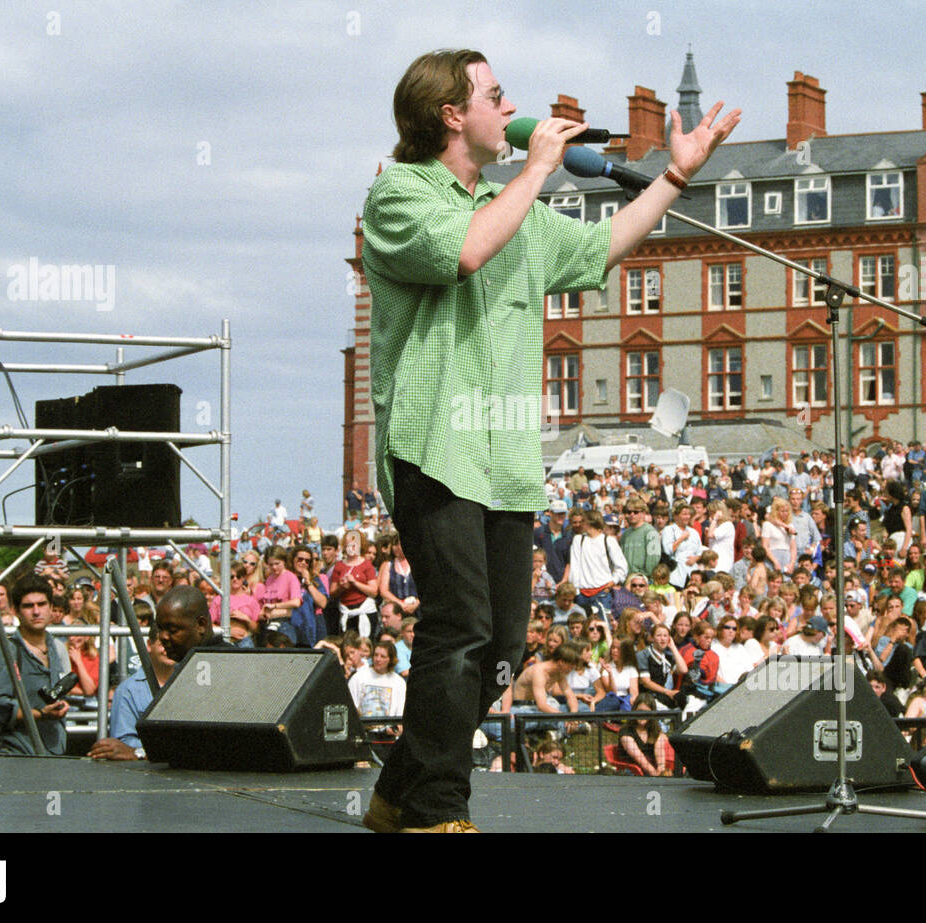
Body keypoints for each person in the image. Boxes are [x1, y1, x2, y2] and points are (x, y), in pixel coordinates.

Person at [359, 48, 738, 832]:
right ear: (450, 115)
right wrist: (536, 169)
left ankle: (399, 790)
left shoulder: (519, 211)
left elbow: (602, 249)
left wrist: (675, 174)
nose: (512, 108)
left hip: (504, 459)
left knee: (496, 646)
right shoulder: (397, 194)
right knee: (457, 625)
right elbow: (464, 250)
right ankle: (437, 810)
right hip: (434, 447)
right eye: (496, 97)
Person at [0, 576, 71, 755]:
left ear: (51, 608)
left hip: (52, 753)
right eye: (28, 606)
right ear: (16, 611)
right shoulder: (5, 653)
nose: (36, 612)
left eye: (42, 604)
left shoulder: (57, 649)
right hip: (14, 757)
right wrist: (40, 714)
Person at [88, 624, 176, 761]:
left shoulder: (193, 683)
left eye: (174, 643)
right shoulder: (127, 691)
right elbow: (122, 743)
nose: (168, 649)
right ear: (149, 645)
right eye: (163, 643)